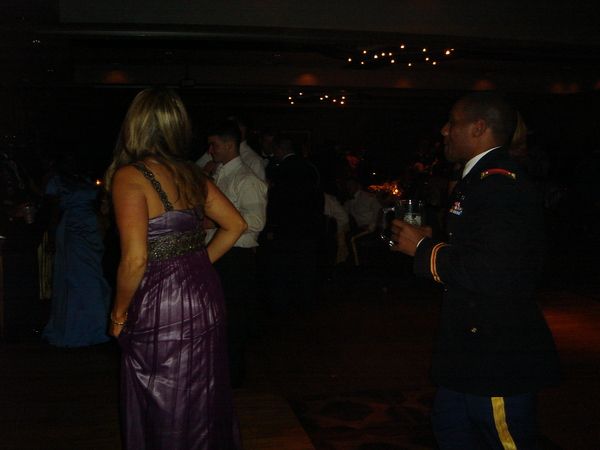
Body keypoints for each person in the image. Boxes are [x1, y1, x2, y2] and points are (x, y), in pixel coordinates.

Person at [391, 91, 560, 449]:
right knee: (451, 428)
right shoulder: (479, 179)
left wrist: (423, 249)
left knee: (505, 440)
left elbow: (492, 270)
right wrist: (431, 240)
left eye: (452, 122)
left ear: (479, 128)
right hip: (468, 348)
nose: (444, 130)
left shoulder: (498, 185)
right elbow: (483, 248)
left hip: (495, 351)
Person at [105, 88, 246, 449]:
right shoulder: (192, 174)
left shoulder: (129, 177)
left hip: (161, 300)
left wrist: (118, 314)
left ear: (134, 125)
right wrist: (194, 263)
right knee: (202, 390)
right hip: (204, 292)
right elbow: (235, 225)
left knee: (161, 393)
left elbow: (135, 259)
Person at [204, 119, 268, 387]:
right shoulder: (220, 173)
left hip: (236, 258)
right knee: (218, 316)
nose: (210, 150)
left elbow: (256, 221)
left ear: (230, 145)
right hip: (220, 254)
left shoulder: (246, 179)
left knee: (233, 318)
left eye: (214, 145)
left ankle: (233, 376)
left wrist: (217, 221)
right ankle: (220, 371)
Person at [42, 155, 111, 347]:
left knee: (94, 275)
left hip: (91, 230)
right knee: (77, 277)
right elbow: (53, 212)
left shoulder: (85, 179)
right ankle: (75, 328)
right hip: (72, 229)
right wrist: (52, 236)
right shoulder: (57, 181)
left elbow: (99, 204)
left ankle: (96, 326)